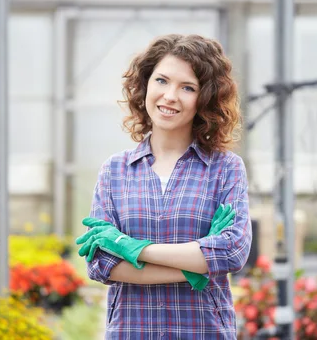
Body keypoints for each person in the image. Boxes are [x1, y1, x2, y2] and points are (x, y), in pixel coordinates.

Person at [76, 34, 252, 339]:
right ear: (145, 85)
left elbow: (231, 251)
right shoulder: (115, 172)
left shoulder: (225, 168)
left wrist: (132, 248)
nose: (170, 96)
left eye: (187, 87)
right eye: (161, 81)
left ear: (204, 99)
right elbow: (101, 263)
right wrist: (193, 266)